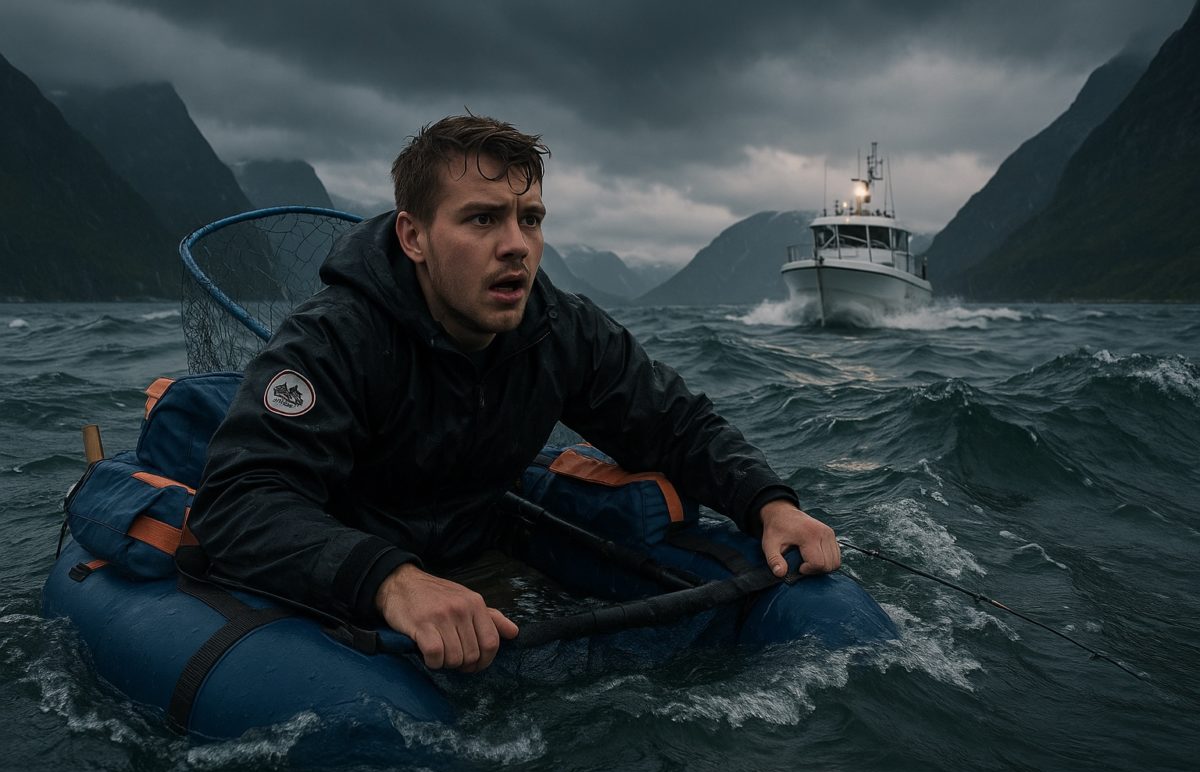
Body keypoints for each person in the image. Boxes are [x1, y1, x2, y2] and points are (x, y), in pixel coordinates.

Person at [189, 114, 841, 674]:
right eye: (482, 219)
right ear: (413, 237)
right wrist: (392, 581)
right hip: (343, 586)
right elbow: (239, 501)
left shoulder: (561, 330)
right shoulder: (334, 339)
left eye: (530, 220)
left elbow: (673, 423)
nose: (516, 246)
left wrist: (769, 502)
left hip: (476, 560)